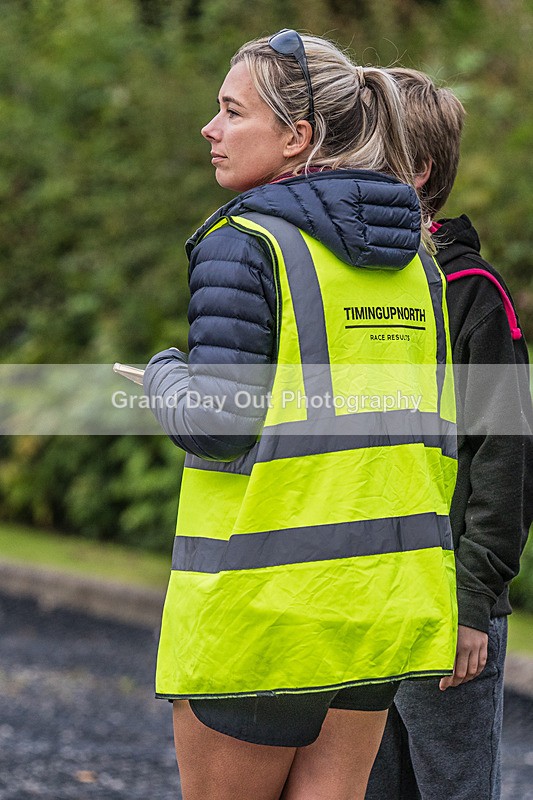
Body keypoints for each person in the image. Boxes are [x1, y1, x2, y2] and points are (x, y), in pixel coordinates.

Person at [143, 32, 459, 800]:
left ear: (297, 137)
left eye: (230, 111)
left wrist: (162, 377)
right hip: (377, 605)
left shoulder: (244, 243)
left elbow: (219, 422)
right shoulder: (417, 260)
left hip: (262, 612)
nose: (209, 129)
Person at [365, 68, 533, 800]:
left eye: (362, 146)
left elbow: (505, 464)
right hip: (365, 603)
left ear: (417, 170)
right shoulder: (359, 294)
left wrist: (469, 605)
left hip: (445, 616)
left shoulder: (475, 298)